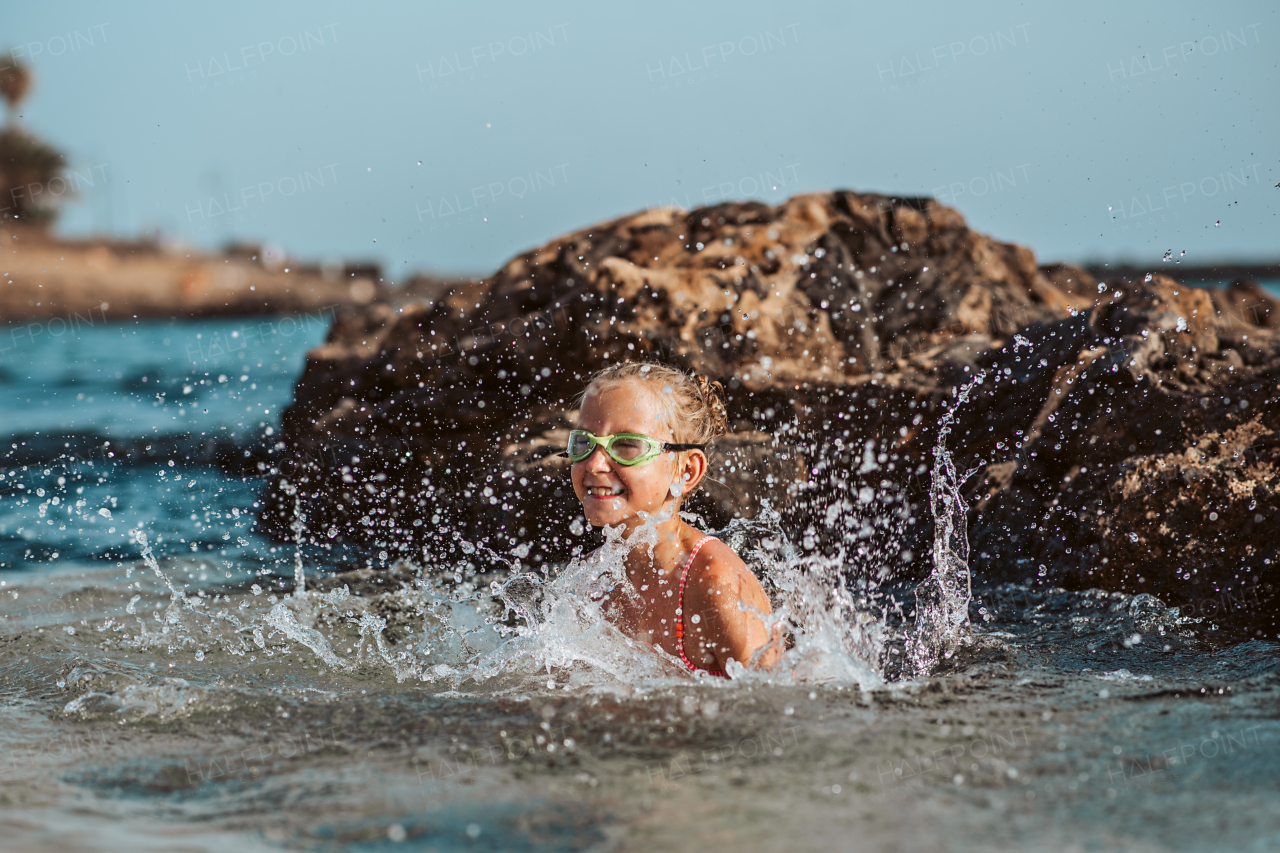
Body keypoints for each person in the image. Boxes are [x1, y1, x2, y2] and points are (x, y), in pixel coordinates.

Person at [565, 362, 781, 677]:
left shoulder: (713, 581)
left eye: (626, 445)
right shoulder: (589, 583)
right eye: (583, 443)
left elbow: (776, 708)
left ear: (686, 471)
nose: (595, 464)